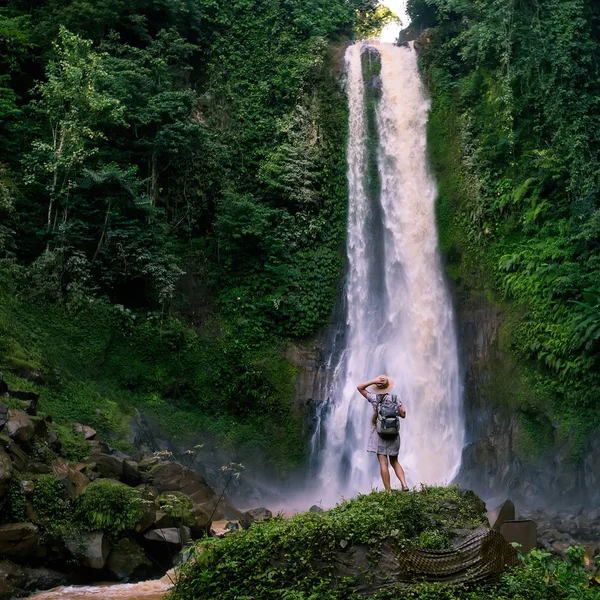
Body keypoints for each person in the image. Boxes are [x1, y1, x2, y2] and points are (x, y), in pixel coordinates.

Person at [357, 374, 408, 492]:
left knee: (383, 463)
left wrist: (373, 381)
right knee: (395, 461)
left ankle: (388, 491)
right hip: (394, 435)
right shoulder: (395, 399)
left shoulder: (374, 398)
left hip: (380, 434)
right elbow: (404, 413)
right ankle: (404, 485)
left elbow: (360, 388)